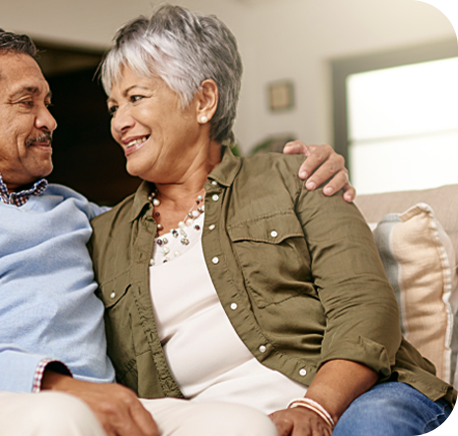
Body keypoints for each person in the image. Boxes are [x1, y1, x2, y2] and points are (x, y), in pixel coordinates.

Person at [0, 23, 350, 436]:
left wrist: (309, 176)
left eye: (48, 103)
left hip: (88, 407)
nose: (51, 120)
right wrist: (57, 384)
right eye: (28, 103)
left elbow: (187, 222)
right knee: (58, 421)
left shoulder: (75, 211)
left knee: (238, 426)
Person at [88, 5, 455, 436]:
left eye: (136, 98)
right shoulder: (101, 235)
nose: (119, 123)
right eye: (113, 107)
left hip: (354, 399)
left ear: (204, 100)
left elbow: (364, 306)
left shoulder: (297, 177)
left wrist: (317, 408)